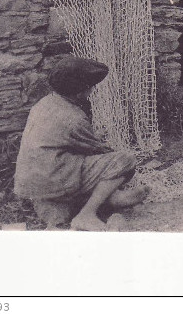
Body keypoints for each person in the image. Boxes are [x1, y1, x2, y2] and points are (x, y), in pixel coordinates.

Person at [13, 57, 148, 230]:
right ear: (79, 92)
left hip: (31, 182)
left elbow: (61, 139)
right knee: (124, 161)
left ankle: (113, 199)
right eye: (90, 87)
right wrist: (107, 148)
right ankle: (87, 214)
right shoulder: (74, 118)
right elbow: (98, 151)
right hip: (54, 178)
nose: (92, 91)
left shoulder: (44, 103)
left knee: (81, 166)